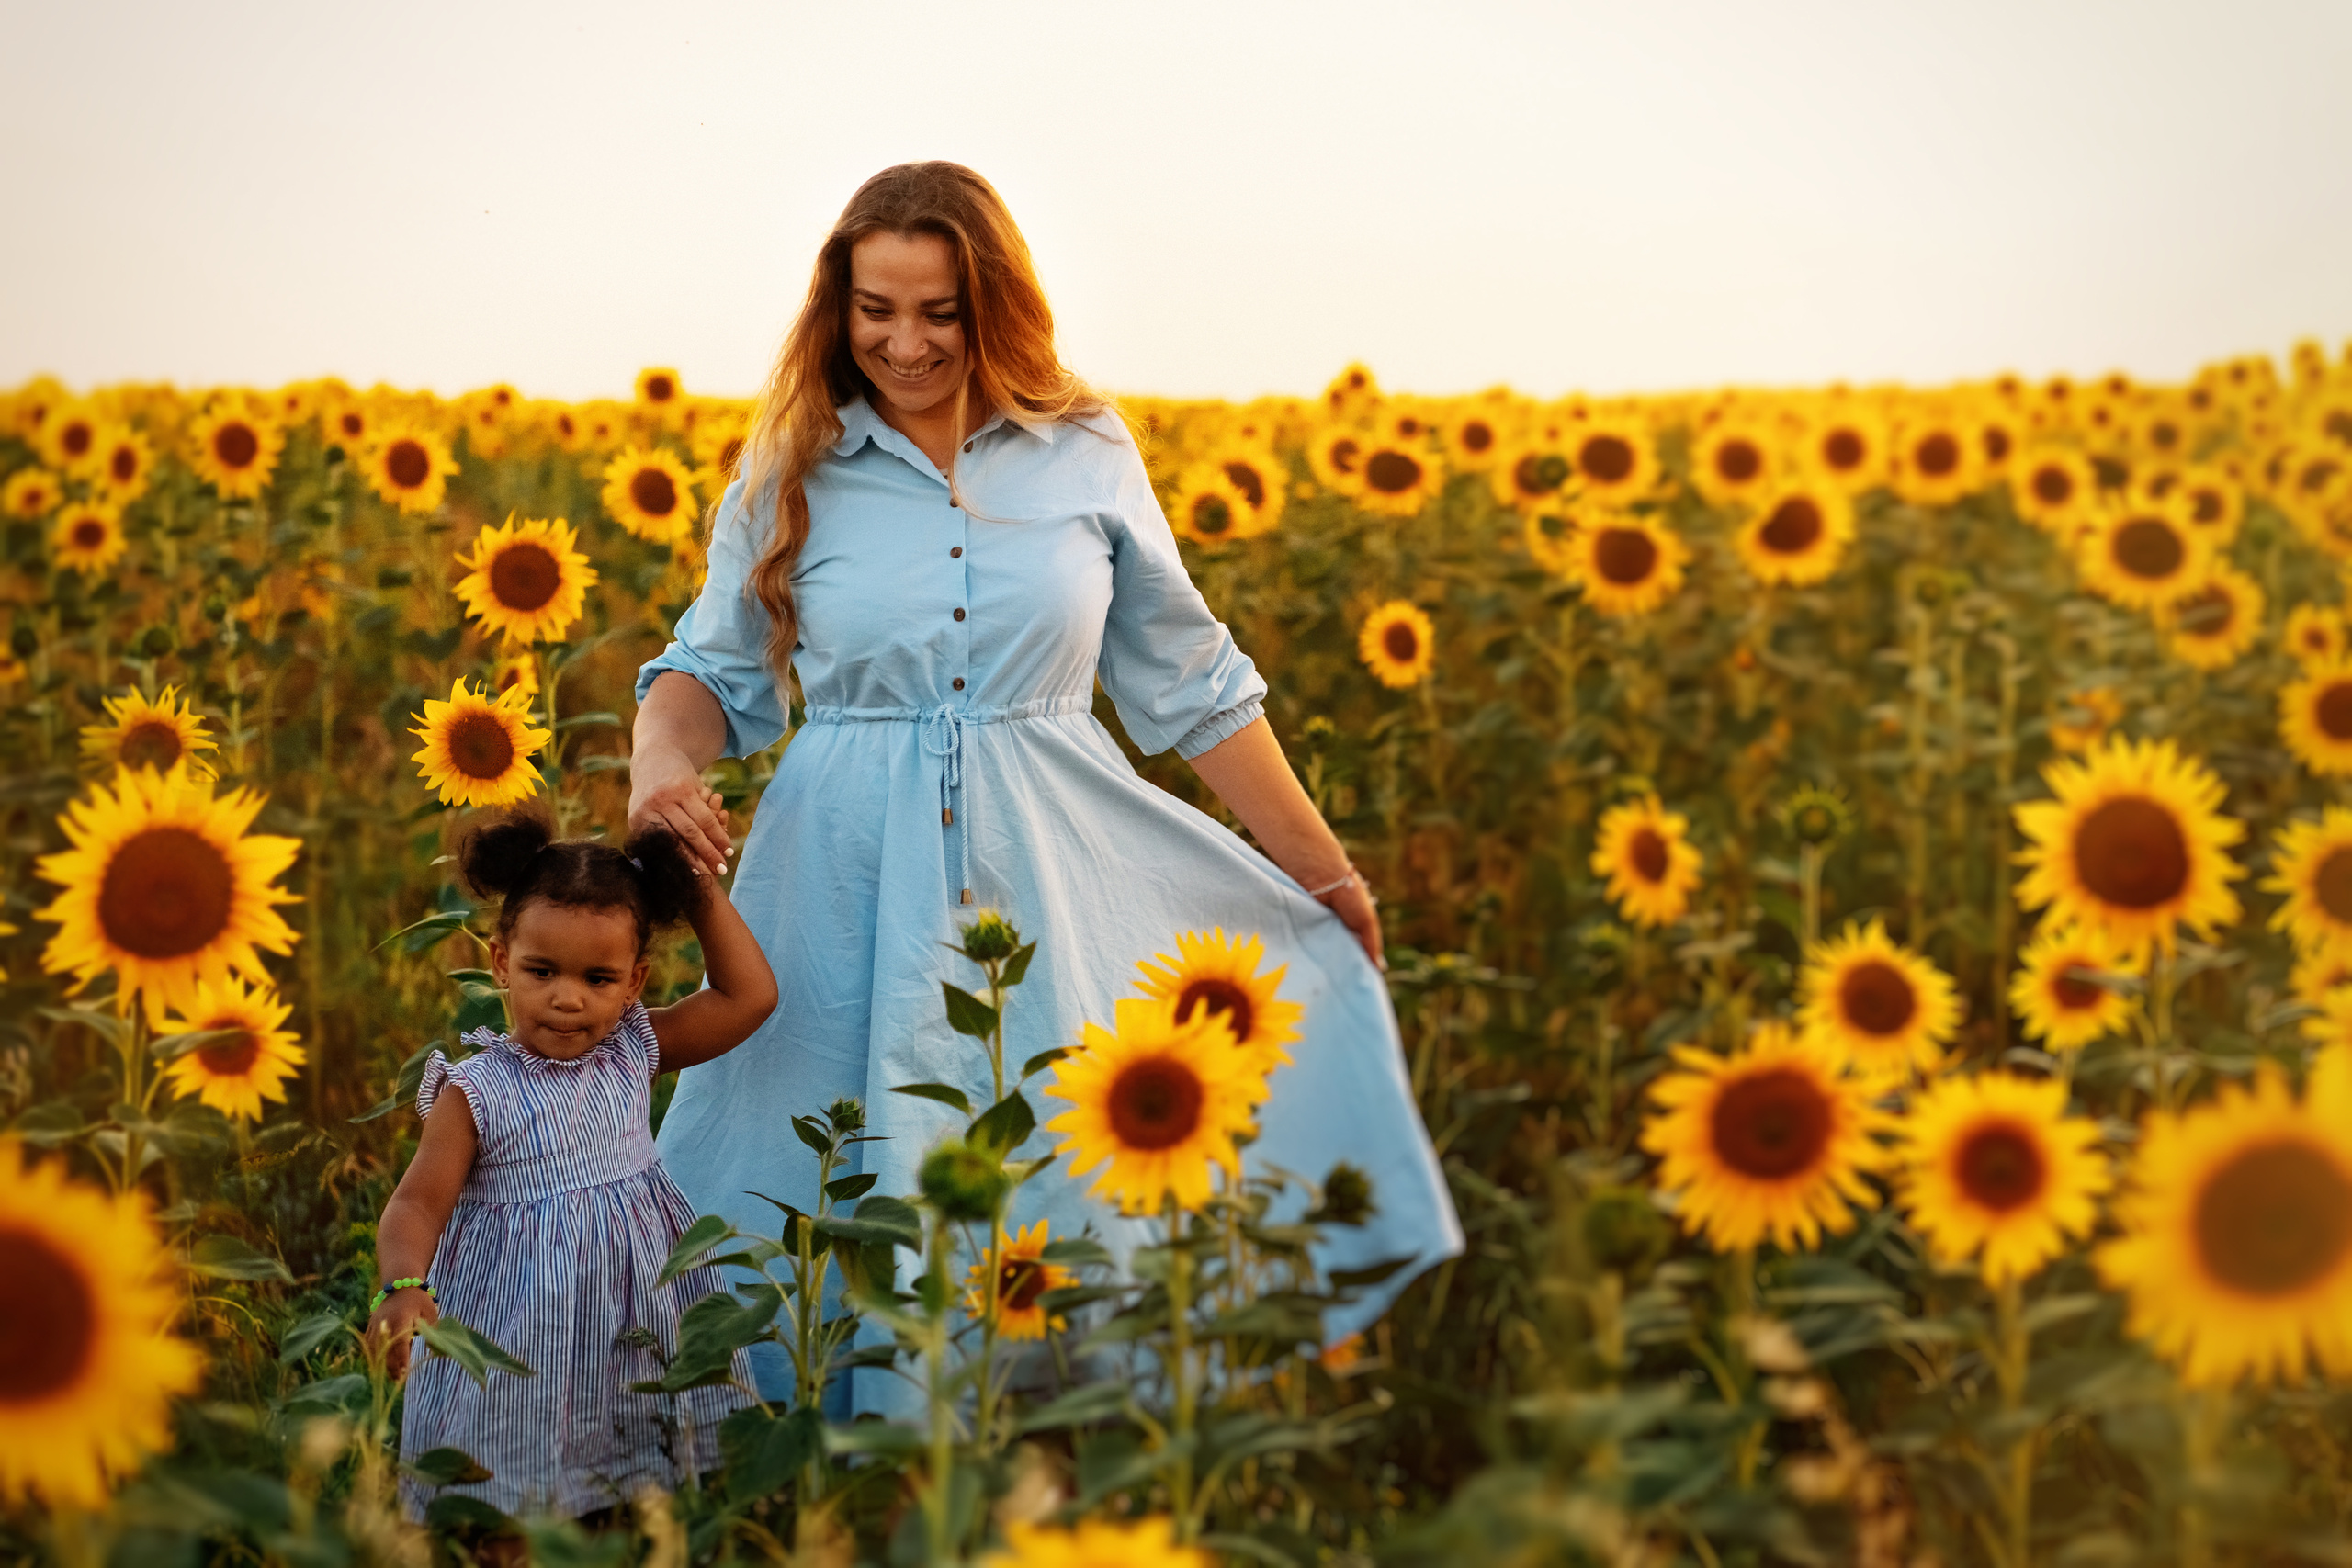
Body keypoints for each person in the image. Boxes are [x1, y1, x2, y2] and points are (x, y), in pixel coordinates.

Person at [628, 160, 1461, 1403]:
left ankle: (1026, 1485)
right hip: (836, 873)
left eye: (939, 311)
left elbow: (1191, 679)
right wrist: (657, 766)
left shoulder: (1086, 450)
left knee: (1055, 1179)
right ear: (835, 307)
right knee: (798, 1203)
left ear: (995, 303)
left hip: (1051, 868)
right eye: (875, 309)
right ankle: (801, 1497)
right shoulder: (792, 461)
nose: (904, 343)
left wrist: (1321, 869)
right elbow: (706, 670)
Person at [367, 810, 779, 1522]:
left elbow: (749, 997)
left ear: (634, 980)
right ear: (501, 962)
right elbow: (417, 1203)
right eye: (541, 970)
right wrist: (403, 1284)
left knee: (633, 1462)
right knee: (509, 1474)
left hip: (633, 1304)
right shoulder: (477, 1091)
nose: (567, 996)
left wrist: (691, 885)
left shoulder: (634, 1048)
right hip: (517, 1317)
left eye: (598, 977)